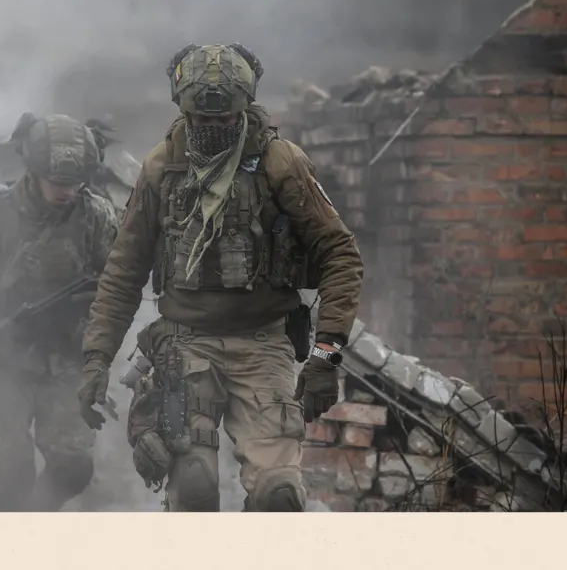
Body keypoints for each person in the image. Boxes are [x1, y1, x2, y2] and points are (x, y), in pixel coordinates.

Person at [78, 43, 365, 512]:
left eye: (225, 120)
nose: (213, 130)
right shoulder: (162, 168)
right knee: (193, 487)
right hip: (185, 344)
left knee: (280, 495)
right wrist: (96, 358)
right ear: (183, 109)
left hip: (265, 343)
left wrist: (325, 357)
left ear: (244, 109)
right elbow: (123, 271)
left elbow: (340, 255)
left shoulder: (280, 164)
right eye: (202, 121)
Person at [0, 112, 119, 511]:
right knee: (14, 476)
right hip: (3, 360)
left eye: (74, 183)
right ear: (33, 171)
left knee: (73, 469)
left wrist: (94, 308)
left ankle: (33, 520)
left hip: (67, 357)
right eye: (57, 182)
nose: (67, 191)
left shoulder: (97, 216)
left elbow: (121, 282)